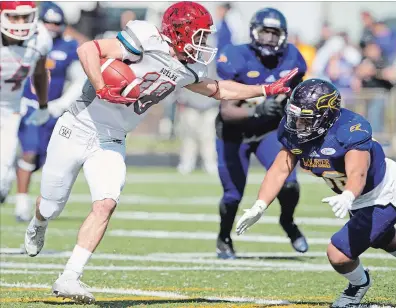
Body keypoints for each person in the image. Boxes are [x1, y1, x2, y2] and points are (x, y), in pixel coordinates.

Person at [23, 1, 299, 304]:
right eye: (199, 35)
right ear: (179, 32)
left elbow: (219, 89)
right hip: (76, 126)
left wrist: (266, 90)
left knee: (106, 203)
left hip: (112, 138)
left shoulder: (188, 67)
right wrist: (101, 86)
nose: (203, 43)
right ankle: (39, 222)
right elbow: (88, 49)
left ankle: (70, 277)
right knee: (51, 204)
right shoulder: (145, 38)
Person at [235, 79, 396, 307]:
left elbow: (358, 173)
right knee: (382, 236)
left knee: (339, 253)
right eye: (295, 117)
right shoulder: (295, 130)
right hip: (356, 196)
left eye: (305, 119)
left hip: (382, 193)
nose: (297, 124)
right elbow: (280, 168)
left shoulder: (350, 130)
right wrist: (260, 205)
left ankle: (358, 285)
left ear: (326, 116)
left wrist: (348, 195)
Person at [214, 8, 308, 259]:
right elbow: (227, 112)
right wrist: (258, 109)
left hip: (268, 131)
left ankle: (287, 222)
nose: (268, 38)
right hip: (234, 133)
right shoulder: (235, 56)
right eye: (264, 31)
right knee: (233, 195)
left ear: (283, 36)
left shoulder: (292, 59)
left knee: (289, 184)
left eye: (273, 32)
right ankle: (224, 238)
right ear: (254, 32)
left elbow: (297, 96)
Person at [16, 2, 84, 222]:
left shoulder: (68, 46)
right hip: (29, 106)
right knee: (30, 152)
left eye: (57, 23)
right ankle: (21, 204)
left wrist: (62, 104)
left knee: (43, 159)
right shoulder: (27, 42)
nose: (52, 27)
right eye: (48, 22)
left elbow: (79, 79)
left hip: (53, 110)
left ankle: (11, 176)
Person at [0, 1, 52, 204]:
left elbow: (39, 73)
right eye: (14, 17)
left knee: (4, 170)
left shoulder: (40, 38)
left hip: (10, 108)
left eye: (25, 17)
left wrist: (43, 104)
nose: (21, 23)